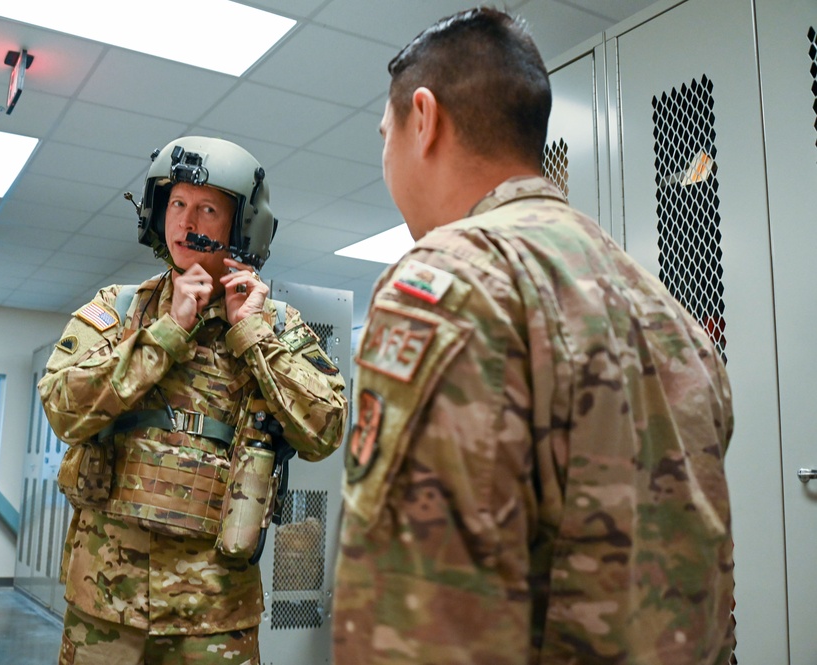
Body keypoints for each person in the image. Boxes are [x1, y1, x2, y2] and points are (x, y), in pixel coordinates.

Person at [332, 8, 734, 665]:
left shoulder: (448, 282)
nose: (384, 159)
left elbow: (417, 625)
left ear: (424, 120)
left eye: (386, 133)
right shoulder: (664, 308)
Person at [38, 135, 347, 665]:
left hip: (216, 614)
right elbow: (63, 409)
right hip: (106, 606)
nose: (187, 222)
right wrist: (167, 330)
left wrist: (253, 335)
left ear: (242, 225)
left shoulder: (275, 325)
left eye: (207, 209)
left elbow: (324, 431)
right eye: (177, 204)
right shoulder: (118, 309)